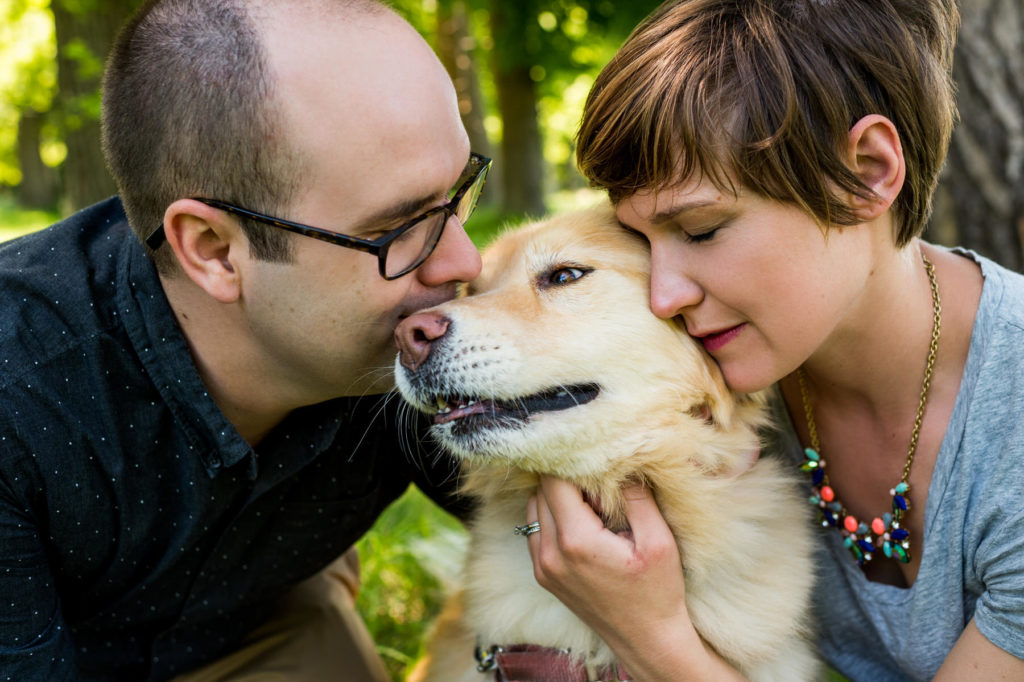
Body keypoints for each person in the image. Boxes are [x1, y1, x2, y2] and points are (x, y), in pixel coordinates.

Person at [523, 1, 1024, 680]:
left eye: (701, 231)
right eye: (642, 242)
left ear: (868, 171)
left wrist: (654, 639)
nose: (665, 296)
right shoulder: (704, 378)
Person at [0, 0, 486, 679]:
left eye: (460, 193)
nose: (463, 264)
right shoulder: (19, 396)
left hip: (258, 619)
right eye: (397, 228)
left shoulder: (411, 338)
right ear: (214, 251)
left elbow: (621, 550)